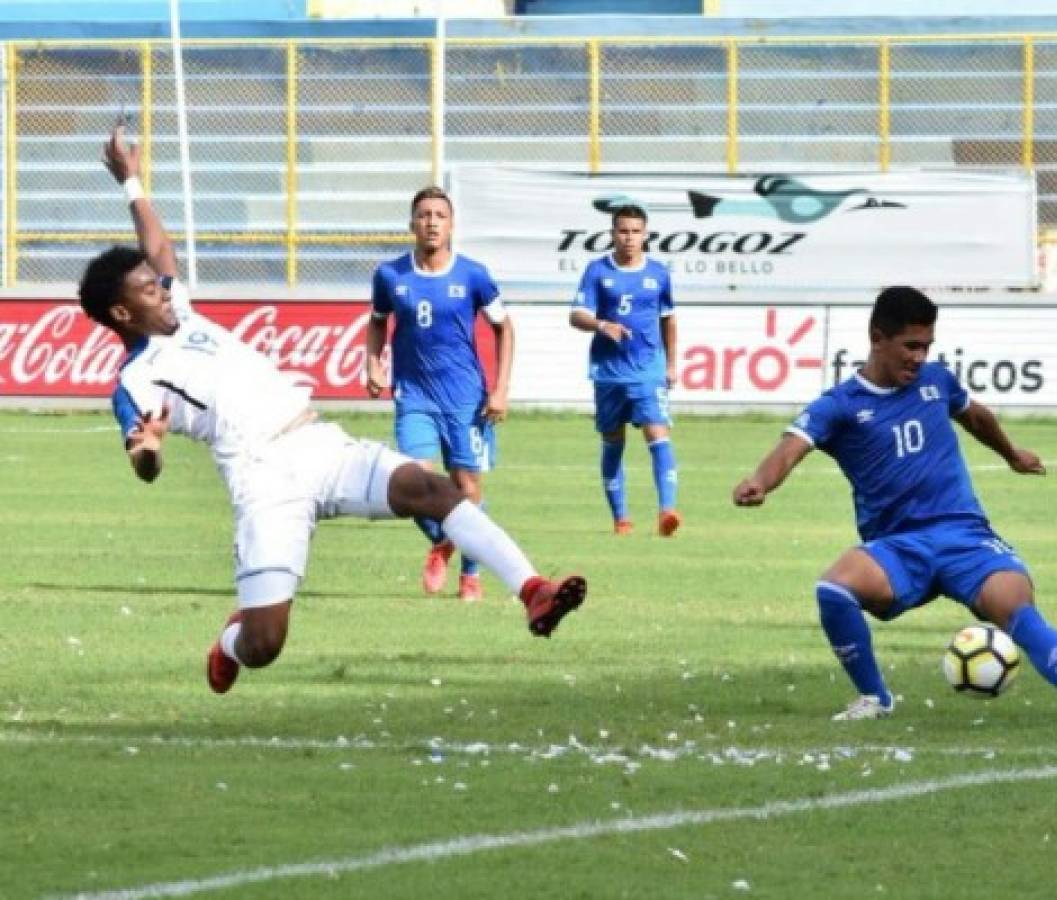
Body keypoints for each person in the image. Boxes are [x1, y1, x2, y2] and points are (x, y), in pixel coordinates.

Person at [80, 125, 585, 695]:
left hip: (319, 444)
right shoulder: (136, 379)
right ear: (122, 314)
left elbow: (159, 249)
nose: (164, 290)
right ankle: (229, 642)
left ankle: (532, 591)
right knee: (264, 646)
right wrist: (149, 452)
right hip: (262, 481)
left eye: (160, 284)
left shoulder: (182, 311)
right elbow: (141, 458)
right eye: (150, 291)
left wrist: (131, 180)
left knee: (436, 490)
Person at [732, 286, 1057, 725]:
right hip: (898, 546)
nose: (919, 357)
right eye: (910, 346)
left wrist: (1011, 454)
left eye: (926, 346)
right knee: (834, 589)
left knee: (1015, 604)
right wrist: (760, 482)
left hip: (965, 536)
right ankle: (874, 698)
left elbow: (976, 415)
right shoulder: (840, 405)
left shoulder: (937, 381)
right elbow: (791, 448)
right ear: (877, 337)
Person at [364, 187, 513, 602]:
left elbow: (505, 328)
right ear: (412, 223)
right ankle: (444, 538)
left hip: (466, 399)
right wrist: (373, 362)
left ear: (451, 224)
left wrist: (500, 389)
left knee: (467, 486)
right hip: (415, 396)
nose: (432, 222)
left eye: (440, 215)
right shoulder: (390, 275)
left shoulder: (473, 275)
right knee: (412, 482)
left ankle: (469, 573)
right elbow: (377, 322)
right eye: (424, 214)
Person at [569, 204, 680, 537]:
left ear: (645, 235)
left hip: (648, 369)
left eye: (635, 231)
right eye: (623, 231)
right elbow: (576, 316)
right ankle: (621, 518)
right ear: (613, 233)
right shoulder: (596, 271)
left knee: (658, 434)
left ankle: (667, 511)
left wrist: (672, 364)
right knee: (613, 441)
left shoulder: (658, 274)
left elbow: (669, 320)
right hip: (609, 373)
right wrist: (602, 324)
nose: (629, 238)